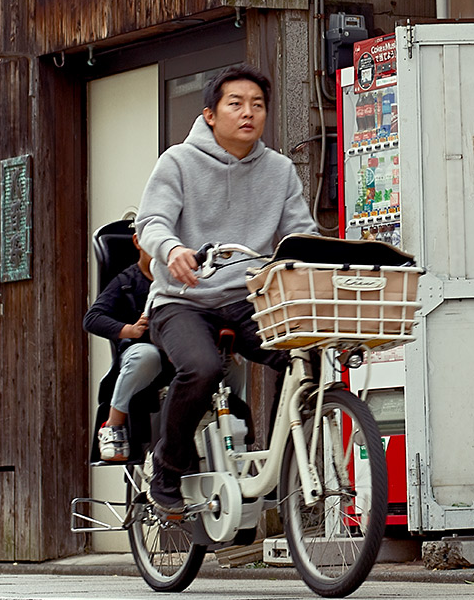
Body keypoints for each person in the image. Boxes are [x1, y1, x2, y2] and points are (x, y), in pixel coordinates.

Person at [135, 64, 311, 516]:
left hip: (247, 298)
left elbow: (300, 235)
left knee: (305, 356)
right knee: (201, 367)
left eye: (257, 105)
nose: (248, 113)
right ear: (210, 114)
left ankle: (284, 464)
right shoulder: (178, 161)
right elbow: (150, 221)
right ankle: (167, 467)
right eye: (235, 103)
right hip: (181, 299)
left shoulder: (279, 170)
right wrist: (172, 249)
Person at [82, 228, 168, 463]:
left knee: (225, 355)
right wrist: (128, 329)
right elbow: (92, 319)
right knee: (146, 355)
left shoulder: (176, 277)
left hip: (179, 350)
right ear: (138, 241)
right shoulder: (126, 282)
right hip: (143, 351)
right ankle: (113, 425)